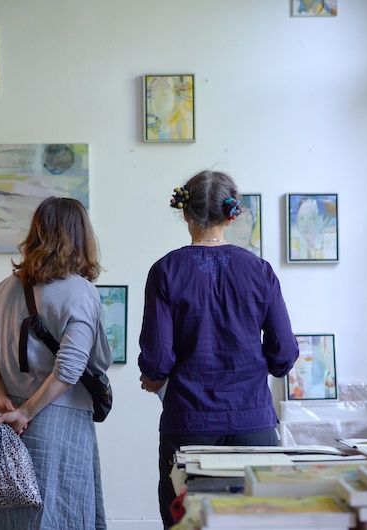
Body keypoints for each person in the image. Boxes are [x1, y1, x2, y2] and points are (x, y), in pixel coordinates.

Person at [137, 170, 299, 528]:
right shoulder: (260, 271)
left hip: (188, 424)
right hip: (253, 425)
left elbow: (157, 360)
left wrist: (153, 377)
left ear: (185, 212)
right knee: (255, 523)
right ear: (233, 214)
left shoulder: (165, 271)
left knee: (186, 523)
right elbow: (284, 355)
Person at [0, 197, 111, 530]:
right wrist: (27, 412)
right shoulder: (79, 291)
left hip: (3, 423)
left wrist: (3, 398)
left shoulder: (5, 289)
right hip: (59, 423)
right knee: (58, 513)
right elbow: (70, 366)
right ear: (81, 237)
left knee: (3, 517)